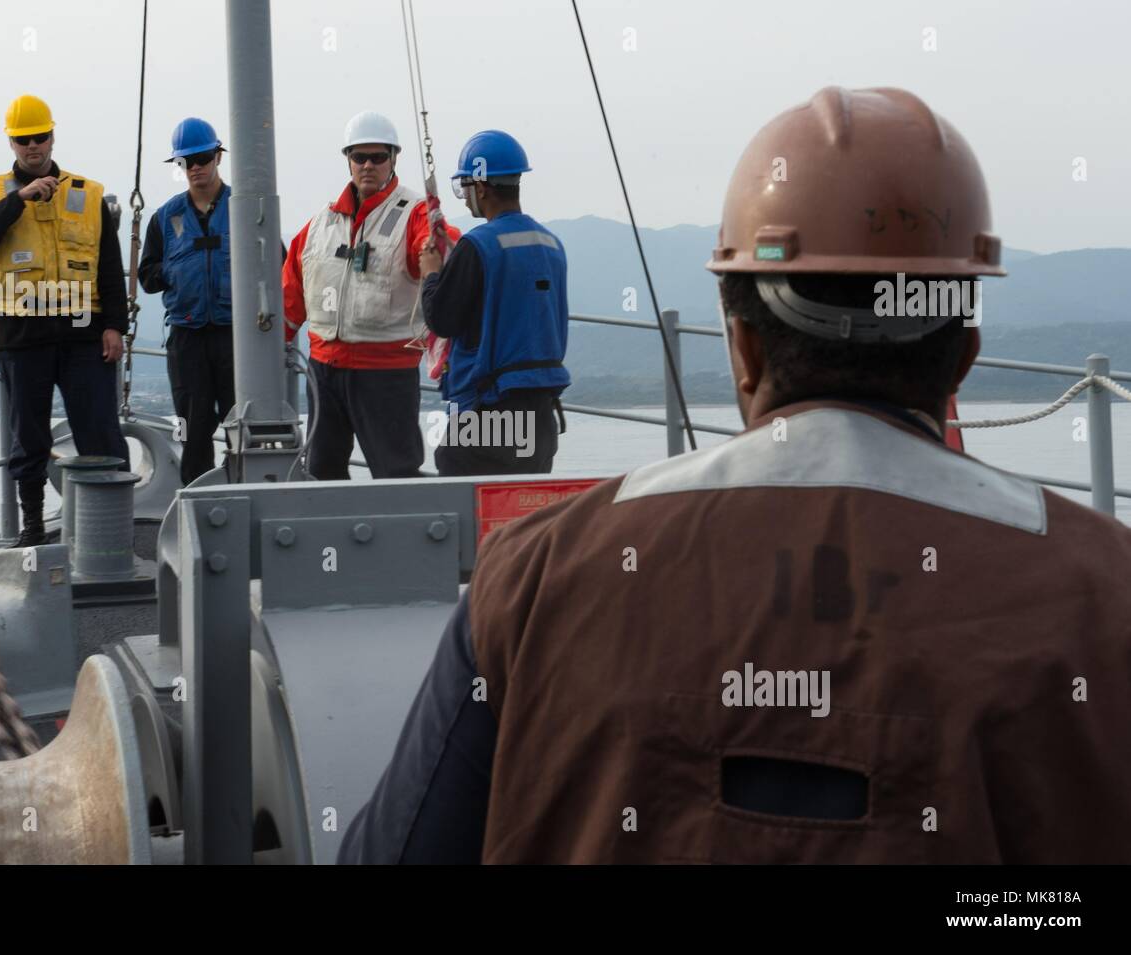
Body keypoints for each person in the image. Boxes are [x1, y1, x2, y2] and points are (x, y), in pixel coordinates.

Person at [339, 87, 1131, 864]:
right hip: (539, 409)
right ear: (963, 354)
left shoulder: (530, 582)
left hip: (484, 410)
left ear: (742, 349)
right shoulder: (1105, 595)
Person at [0, 94, 129, 547]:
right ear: (12, 143)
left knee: (100, 429)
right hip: (22, 334)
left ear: (52, 137)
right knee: (29, 436)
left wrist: (115, 326)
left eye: (40, 137)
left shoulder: (87, 194)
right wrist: (20, 200)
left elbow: (109, 267)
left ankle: (113, 530)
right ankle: (33, 528)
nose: (32, 146)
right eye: (23, 140)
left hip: (82, 334)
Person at [281, 111, 459, 480]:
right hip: (324, 371)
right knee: (321, 471)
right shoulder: (319, 226)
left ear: (394, 159)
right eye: (359, 157)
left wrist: (440, 243)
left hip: (386, 373)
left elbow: (442, 246)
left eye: (378, 157)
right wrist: (269, 345)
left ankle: (402, 538)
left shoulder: (414, 214)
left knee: (396, 472)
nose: (368, 165)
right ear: (347, 159)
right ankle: (330, 537)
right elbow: (291, 292)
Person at [418, 130, 570, 475]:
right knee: (522, 507)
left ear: (481, 187)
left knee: (466, 499)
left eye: (464, 188)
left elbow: (442, 319)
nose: (465, 197)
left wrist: (431, 275)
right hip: (541, 414)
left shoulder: (478, 246)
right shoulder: (551, 244)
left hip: (491, 409)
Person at [138, 119, 236, 485]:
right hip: (187, 336)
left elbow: (275, 264)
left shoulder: (244, 208)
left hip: (235, 336)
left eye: (203, 158)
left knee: (241, 423)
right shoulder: (165, 218)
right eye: (187, 161)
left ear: (218, 157)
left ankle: (243, 493)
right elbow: (146, 276)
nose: (196, 167)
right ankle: (196, 503)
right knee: (191, 428)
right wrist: (175, 273)